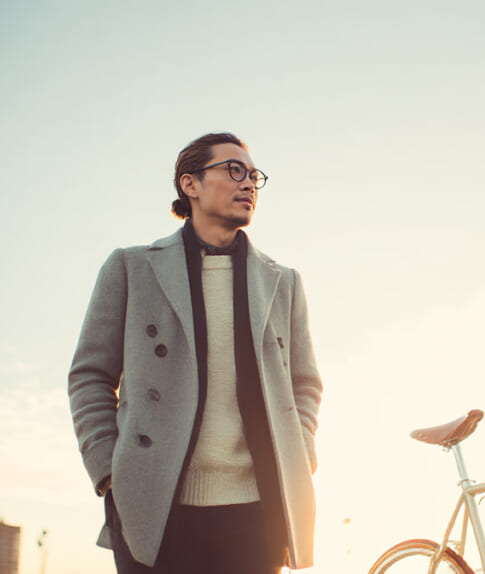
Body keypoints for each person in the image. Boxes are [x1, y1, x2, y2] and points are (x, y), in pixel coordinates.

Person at [68, 132, 323, 573]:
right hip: (155, 504)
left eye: (254, 176)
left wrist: (300, 450)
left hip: (257, 510)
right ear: (190, 184)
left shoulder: (284, 282)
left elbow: (305, 383)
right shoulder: (132, 268)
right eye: (233, 170)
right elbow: (90, 375)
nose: (248, 184)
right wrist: (111, 471)